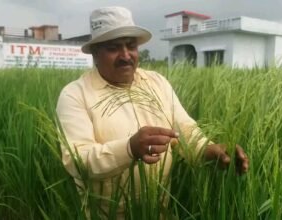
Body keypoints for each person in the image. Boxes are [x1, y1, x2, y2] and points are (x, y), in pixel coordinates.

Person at [56, 6, 249, 218]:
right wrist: (129, 148)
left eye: (131, 46)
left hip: (159, 211)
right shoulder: (75, 95)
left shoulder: (156, 83)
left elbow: (184, 130)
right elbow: (77, 161)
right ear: (95, 53)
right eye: (113, 48)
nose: (125, 55)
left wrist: (210, 149)